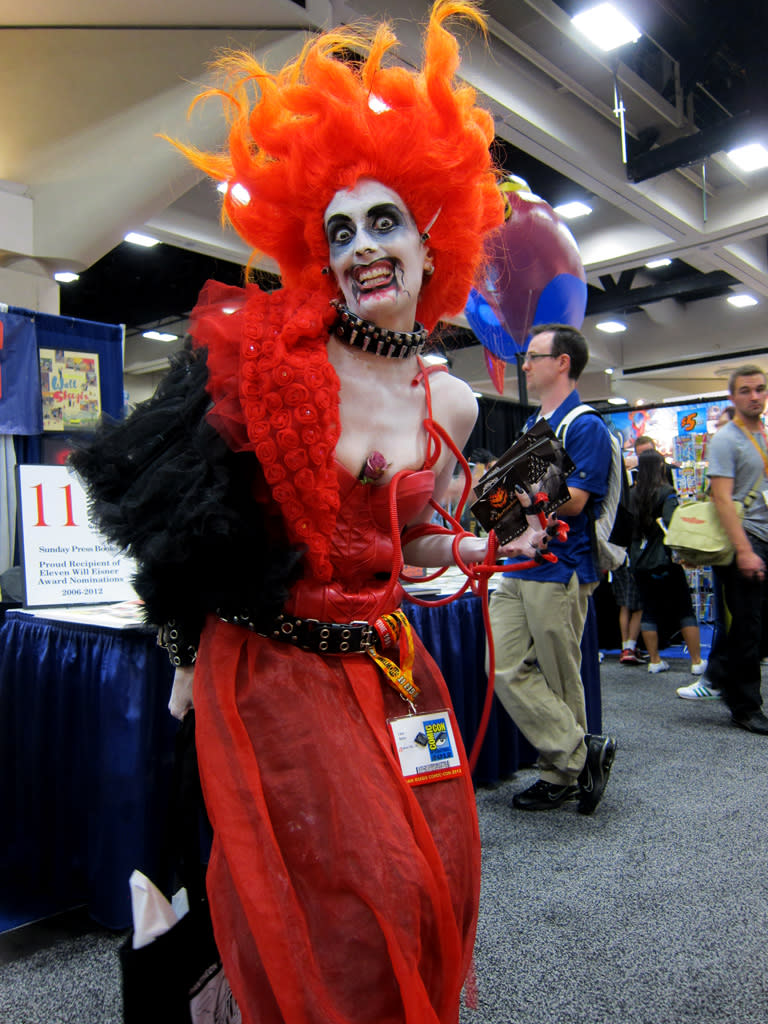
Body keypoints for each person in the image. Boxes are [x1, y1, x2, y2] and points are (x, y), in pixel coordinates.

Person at [69, 4, 556, 1021]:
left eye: (384, 221)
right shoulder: (266, 366)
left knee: (438, 872)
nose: (362, 247)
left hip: (384, 661)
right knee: (351, 897)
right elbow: (172, 526)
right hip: (274, 669)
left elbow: (408, 539)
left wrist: (482, 544)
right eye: (338, 229)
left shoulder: (448, 400)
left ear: (435, 237)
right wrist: (183, 657)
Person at [487, 324, 618, 813]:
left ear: (562, 362)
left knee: (561, 675)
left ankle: (562, 772)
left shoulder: (584, 425)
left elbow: (579, 502)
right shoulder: (533, 426)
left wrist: (520, 492)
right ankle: (583, 757)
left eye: (534, 357)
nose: (525, 366)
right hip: (519, 563)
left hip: (559, 566)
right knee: (501, 665)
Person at [694, 365, 768, 731]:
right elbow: (721, 500)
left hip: (764, 540)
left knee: (753, 626)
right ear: (733, 397)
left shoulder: (764, 436)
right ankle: (745, 706)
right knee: (748, 627)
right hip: (745, 540)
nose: (754, 396)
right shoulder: (726, 439)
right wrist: (744, 550)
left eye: (760, 389)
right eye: (746, 390)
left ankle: (722, 672)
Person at [629, 450, 707, 675]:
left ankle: (654, 660)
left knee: (649, 609)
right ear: (661, 467)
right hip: (665, 559)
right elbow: (673, 526)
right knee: (684, 608)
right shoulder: (666, 492)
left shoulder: (631, 494)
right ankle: (696, 661)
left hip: (639, 560)